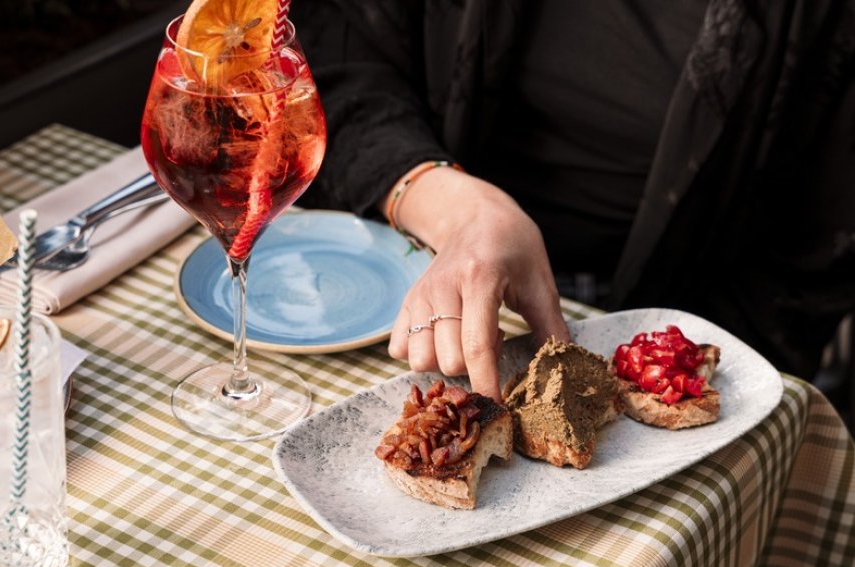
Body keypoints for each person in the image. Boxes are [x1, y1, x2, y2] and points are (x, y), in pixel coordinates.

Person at [291, 0, 855, 402]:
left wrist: (661, 366)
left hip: (685, 319)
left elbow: (815, 256)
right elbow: (319, 64)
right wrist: (456, 208)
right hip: (404, 266)